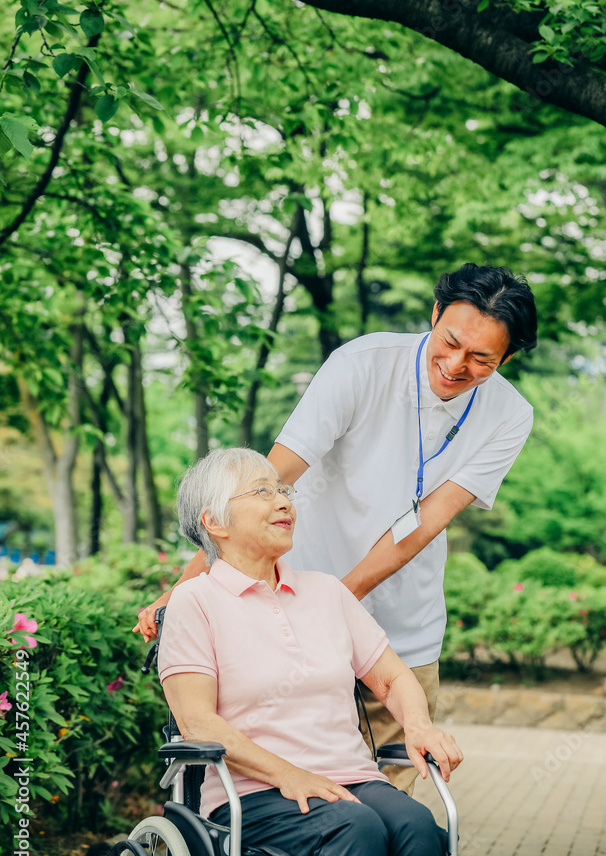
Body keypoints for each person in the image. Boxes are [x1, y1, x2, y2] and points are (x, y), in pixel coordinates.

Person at [140, 262, 537, 789]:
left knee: (389, 812)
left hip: (403, 633)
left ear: (506, 358)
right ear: (436, 313)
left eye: (481, 358)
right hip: (276, 619)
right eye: (450, 341)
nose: (455, 364)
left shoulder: (510, 416)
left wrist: (330, 611)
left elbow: (423, 526)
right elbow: (265, 483)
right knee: (283, 802)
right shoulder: (362, 365)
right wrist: (186, 586)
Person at [158, 447, 462, 856]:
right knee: (355, 829)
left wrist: (418, 725)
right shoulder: (195, 601)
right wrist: (289, 774)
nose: (284, 501)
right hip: (253, 792)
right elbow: (198, 722)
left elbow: (393, 677)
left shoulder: (326, 592)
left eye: (283, 490)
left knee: (417, 828)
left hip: (352, 779)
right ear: (215, 522)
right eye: (262, 491)